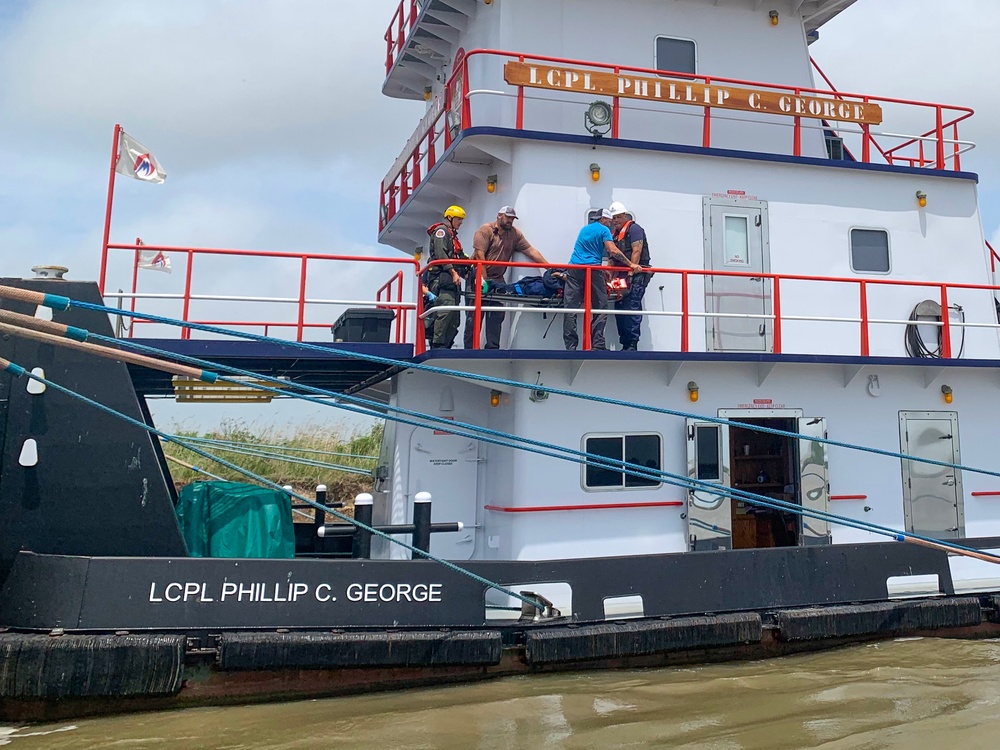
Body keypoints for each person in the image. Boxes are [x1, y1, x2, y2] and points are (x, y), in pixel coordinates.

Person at [465, 206, 550, 349]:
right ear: (499, 216)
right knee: (474, 316)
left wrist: (550, 267)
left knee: (497, 314)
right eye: (508, 217)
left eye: (512, 218)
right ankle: (469, 349)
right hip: (479, 274)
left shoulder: (514, 234)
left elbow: (530, 251)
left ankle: (492, 348)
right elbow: (480, 255)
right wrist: (483, 280)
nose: (510, 221)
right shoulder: (485, 230)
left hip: (497, 278)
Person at [563, 209, 640, 351]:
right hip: (592, 270)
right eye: (610, 221)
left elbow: (584, 251)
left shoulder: (584, 229)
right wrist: (631, 264)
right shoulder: (603, 229)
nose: (611, 224)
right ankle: (597, 345)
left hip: (573, 269)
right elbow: (613, 250)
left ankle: (571, 347)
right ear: (604, 219)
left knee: (570, 308)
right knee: (600, 307)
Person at [608, 201, 653, 351]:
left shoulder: (635, 230)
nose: (615, 221)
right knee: (620, 307)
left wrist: (630, 274)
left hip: (636, 275)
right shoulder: (615, 234)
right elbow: (612, 256)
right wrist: (609, 274)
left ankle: (632, 344)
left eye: (618, 217)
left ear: (625, 216)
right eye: (613, 218)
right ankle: (625, 343)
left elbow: (636, 251)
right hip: (621, 275)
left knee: (632, 306)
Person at [425, 205, 467, 349]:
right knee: (445, 311)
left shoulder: (453, 235)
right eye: (459, 219)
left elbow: (459, 256)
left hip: (451, 282)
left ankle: (447, 345)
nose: (461, 222)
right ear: (450, 218)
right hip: (442, 279)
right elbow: (441, 254)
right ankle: (437, 345)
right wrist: (454, 272)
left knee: (455, 318)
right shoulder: (441, 232)